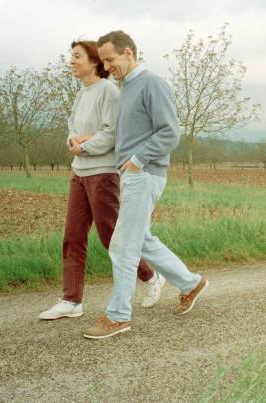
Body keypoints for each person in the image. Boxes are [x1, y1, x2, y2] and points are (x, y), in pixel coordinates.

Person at [82, 30, 208, 339]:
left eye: (110, 59)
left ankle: (118, 316)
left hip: (144, 172)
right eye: (103, 61)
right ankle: (191, 283)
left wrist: (137, 160)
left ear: (128, 53)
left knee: (123, 246)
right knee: (142, 240)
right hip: (133, 174)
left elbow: (169, 132)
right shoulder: (126, 87)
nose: (106, 66)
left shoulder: (151, 83)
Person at [39, 40, 166, 320]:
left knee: (112, 238)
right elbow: (72, 127)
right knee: (72, 237)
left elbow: (111, 134)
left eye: (76, 56)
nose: (71, 61)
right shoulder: (82, 93)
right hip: (79, 172)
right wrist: (73, 142)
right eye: (70, 56)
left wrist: (85, 146)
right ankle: (71, 301)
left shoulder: (108, 92)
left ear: (95, 61)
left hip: (103, 173)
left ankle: (150, 276)